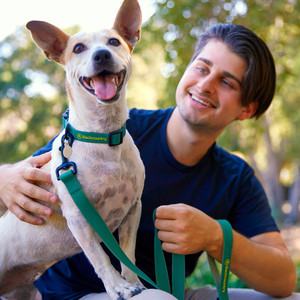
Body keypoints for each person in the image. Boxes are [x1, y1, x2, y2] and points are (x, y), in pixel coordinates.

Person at [0, 24, 298, 300]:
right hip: (73, 292)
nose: (205, 85)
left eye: (226, 82)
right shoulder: (106, 131)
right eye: (201, 68)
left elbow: (283, 280)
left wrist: (215, 237)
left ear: (247, 109)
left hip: (168, 291)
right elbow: (24, 176)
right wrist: (3, 179)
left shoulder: (236, 178)